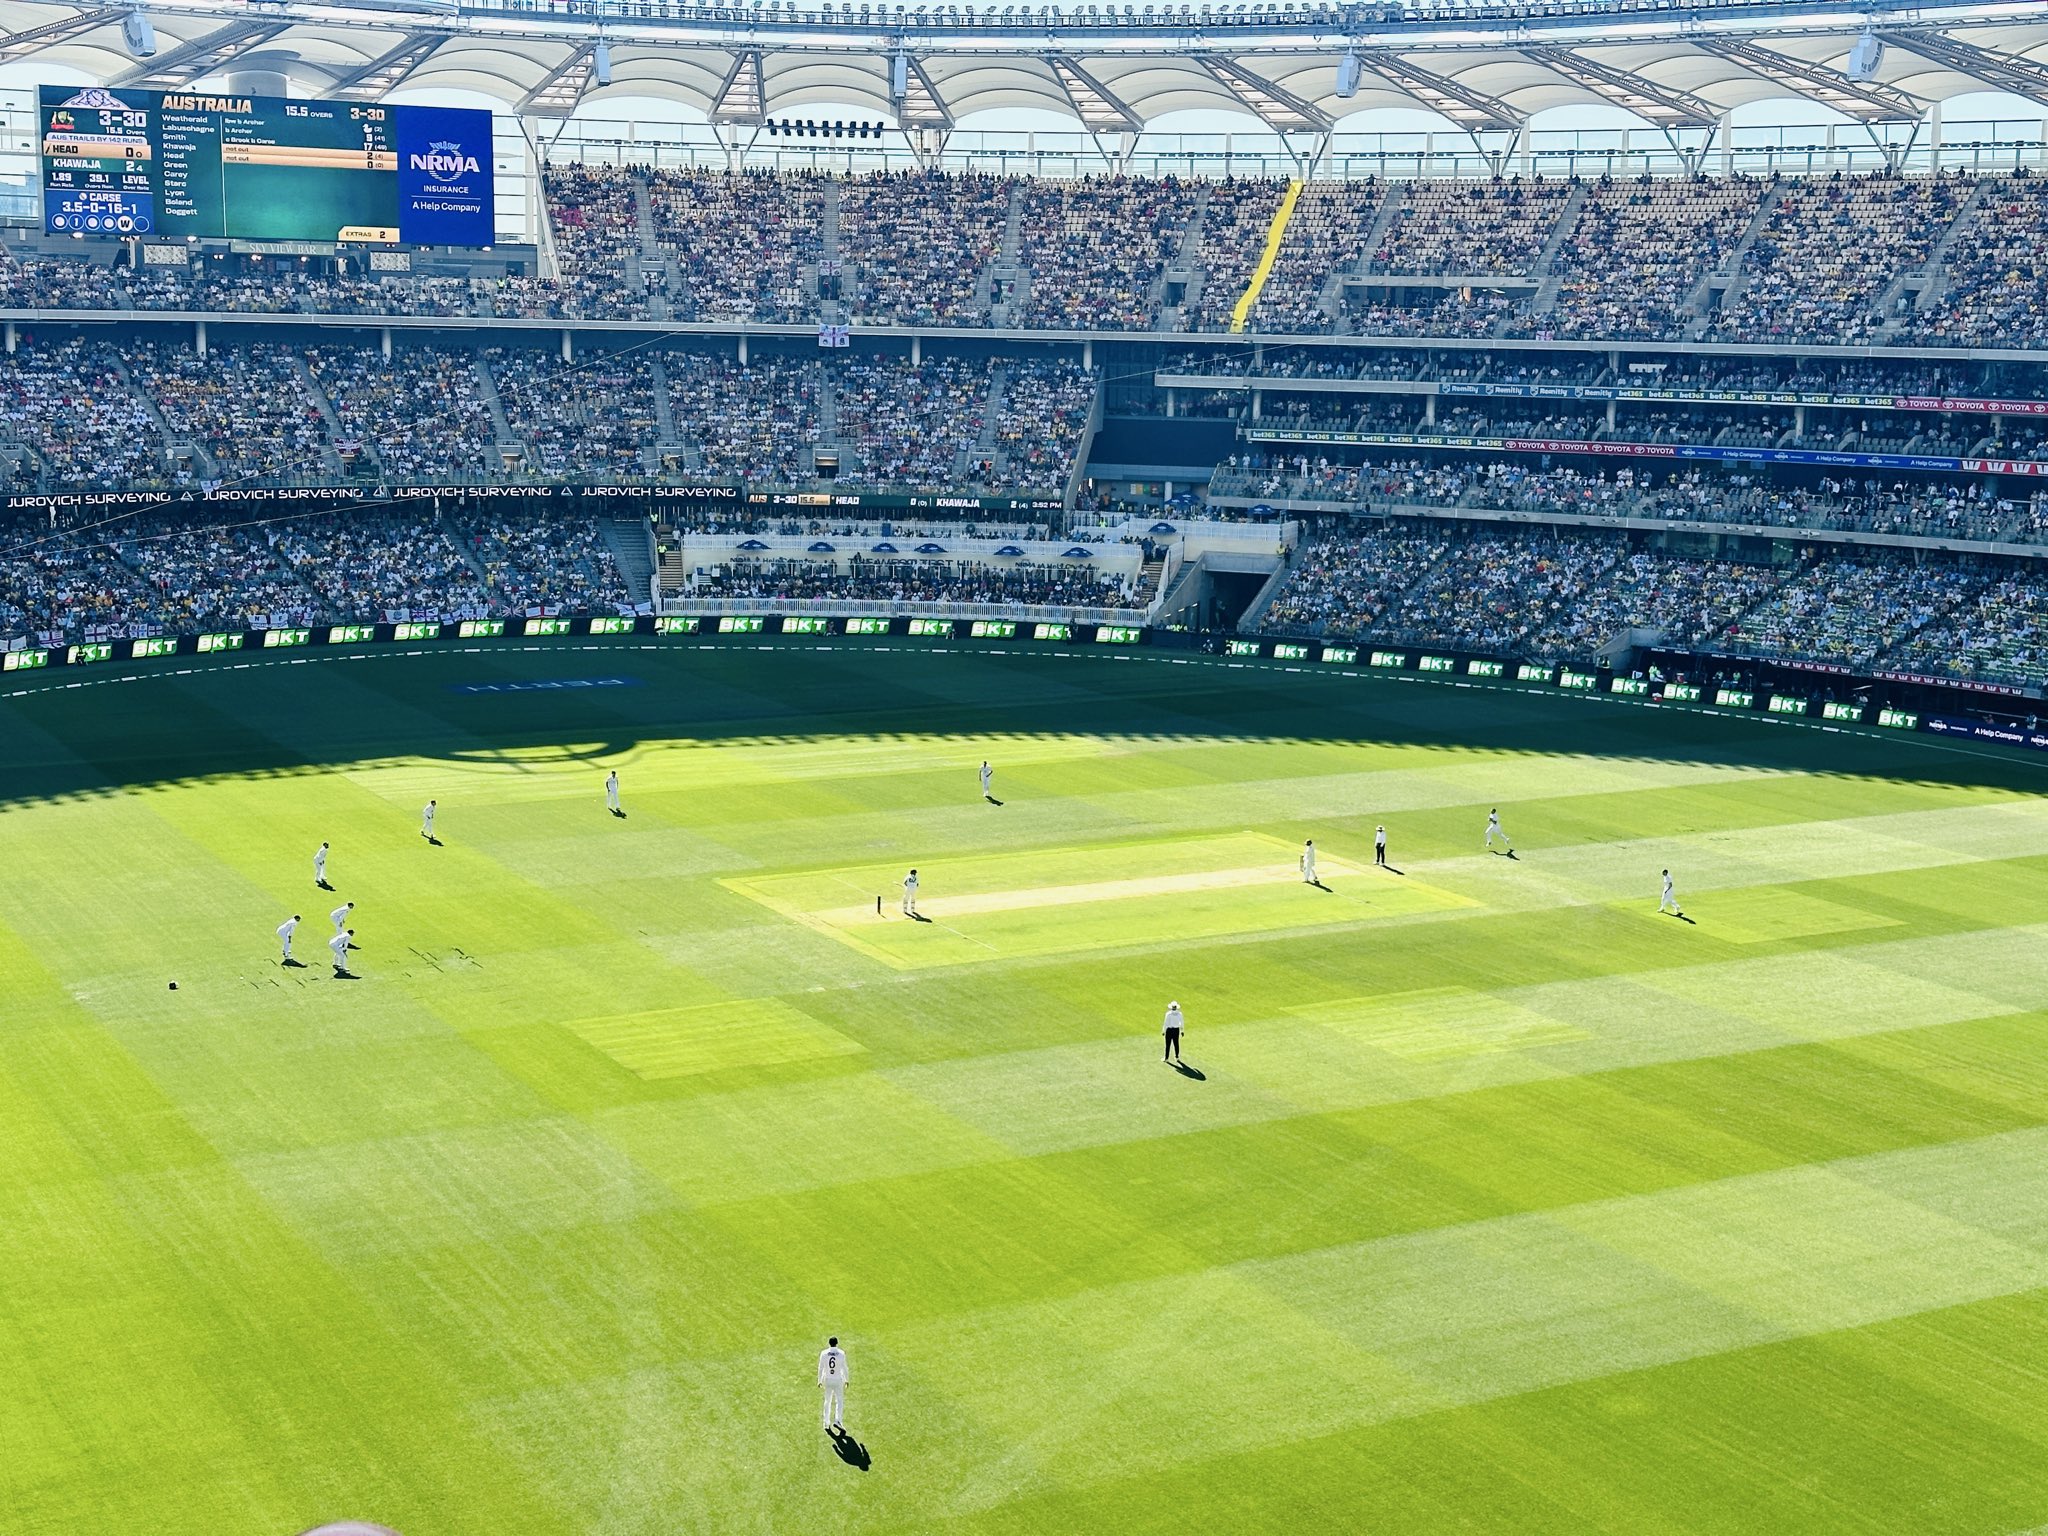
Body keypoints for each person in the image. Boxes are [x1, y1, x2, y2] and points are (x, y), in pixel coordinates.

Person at [818, 1337, 849, 1432]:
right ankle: (838, 1420)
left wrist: (819, 1380)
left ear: (829, 1343)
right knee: (839, 1401)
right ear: (837, 1343)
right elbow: (844, 1368)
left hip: (828, 1379)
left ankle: (826, 1422)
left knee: (827, 1401)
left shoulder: (824, 1353)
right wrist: (846, 1379)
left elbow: (821, 1368)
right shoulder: (841, 1353)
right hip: (838, 1379)